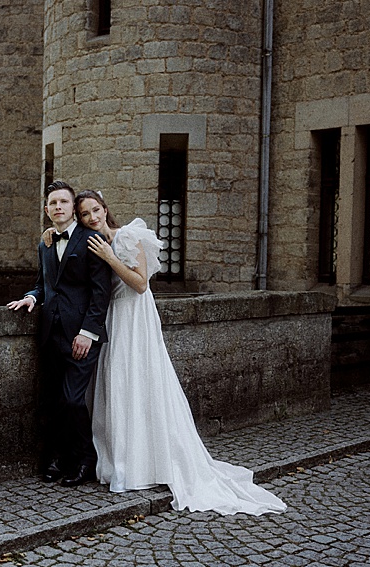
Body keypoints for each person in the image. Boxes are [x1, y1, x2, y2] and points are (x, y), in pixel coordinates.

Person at [45, 190, 287, 515]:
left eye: (95, 210)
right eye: (85, 213)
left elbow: (141, 284)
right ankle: (121, 460)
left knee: (142, 383)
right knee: (116, 388)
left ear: (105, 209)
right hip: (111, 319)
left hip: (134, 317)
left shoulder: (128, 236)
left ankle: (150, 464)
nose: (92, 217)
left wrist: (110, 257)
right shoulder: (87, 241)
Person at [7, 181, 112, 487]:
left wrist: (88, 333)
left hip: (81, 336)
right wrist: (31, 297)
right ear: (47, 209)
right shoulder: (46, 243)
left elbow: (100, 293)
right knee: (52, 401)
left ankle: (85, 460)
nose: (58, 207)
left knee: (73, 400)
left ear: (72, 208)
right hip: (50, 333)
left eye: (63, 202)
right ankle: (57, 459)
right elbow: (43, 283)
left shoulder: (92, 240)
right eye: (52, 203)